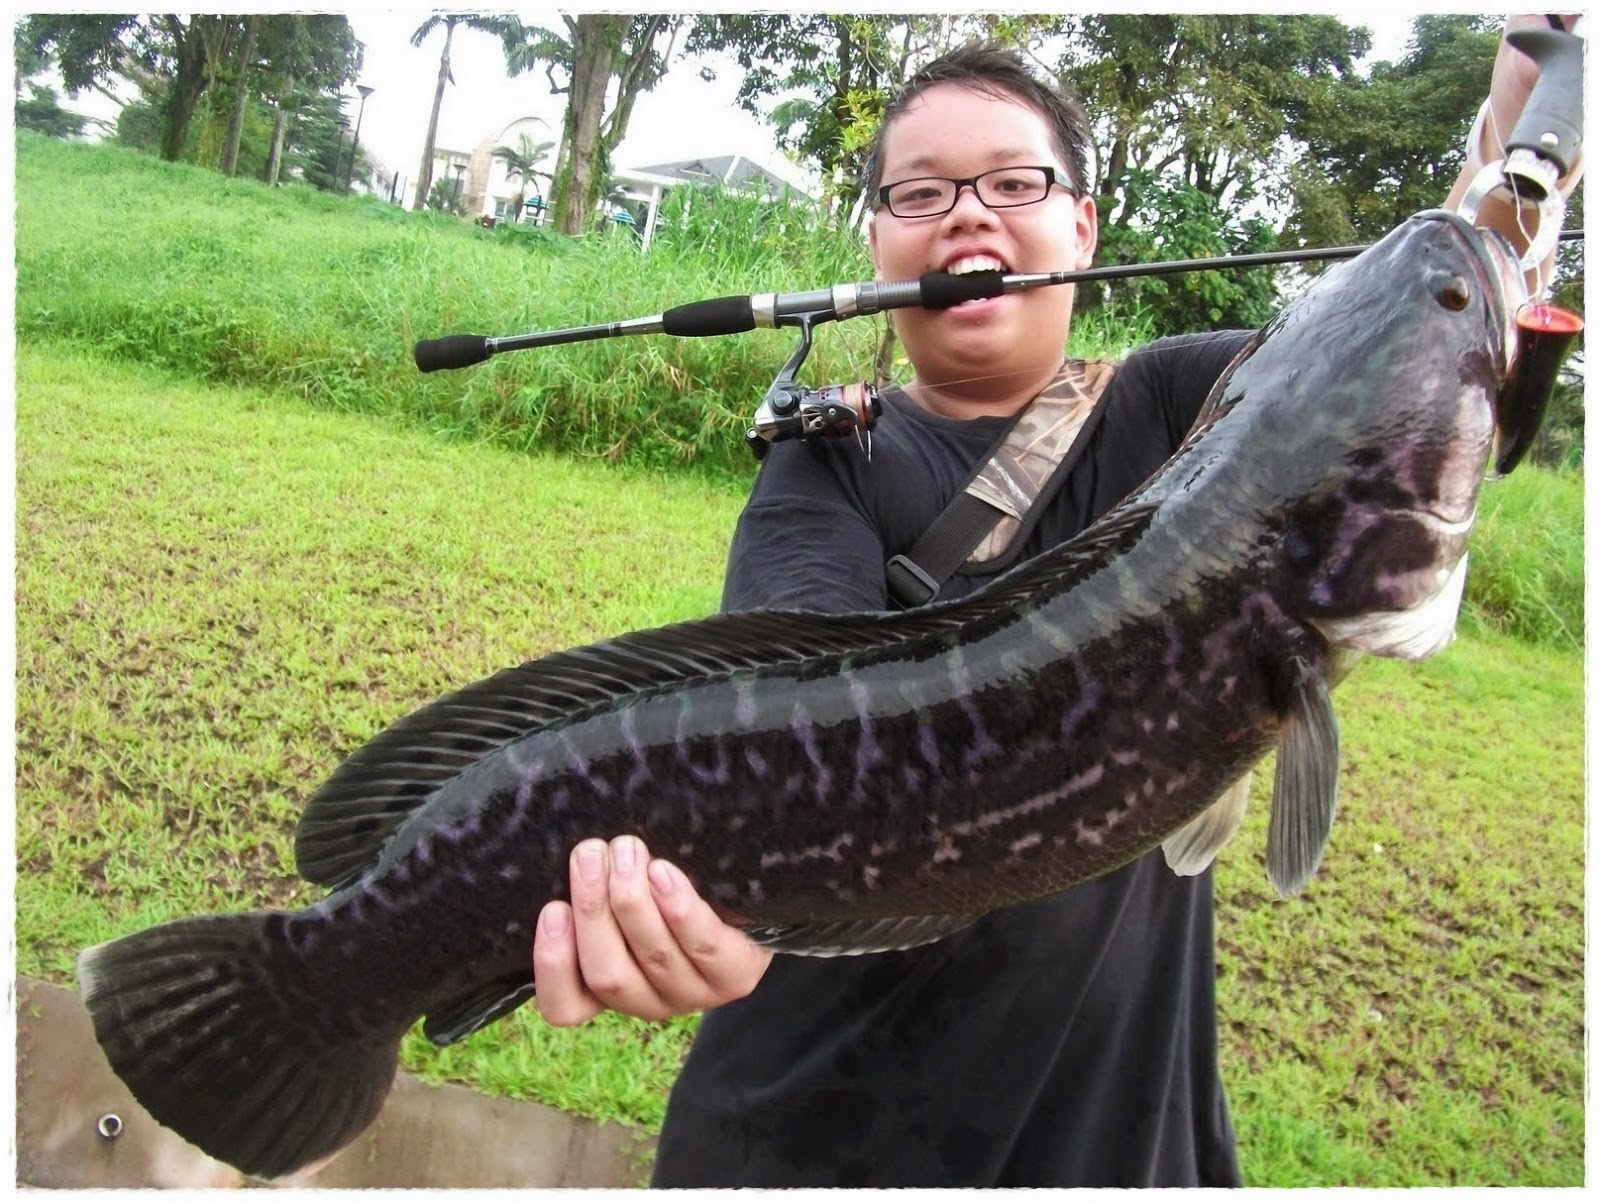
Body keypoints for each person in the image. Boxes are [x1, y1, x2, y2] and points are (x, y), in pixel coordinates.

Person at [528, 16, 1580, 1187]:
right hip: (812, 1140)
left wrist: (1520, 137)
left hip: (1120, 1136)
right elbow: (786, 738)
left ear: (1082, 224)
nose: (969, 213)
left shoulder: (1192, 403)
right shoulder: (832, 467)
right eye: (919, 192)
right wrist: (697, 922)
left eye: (1015, 181)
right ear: (876, 239)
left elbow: (1388, 365)